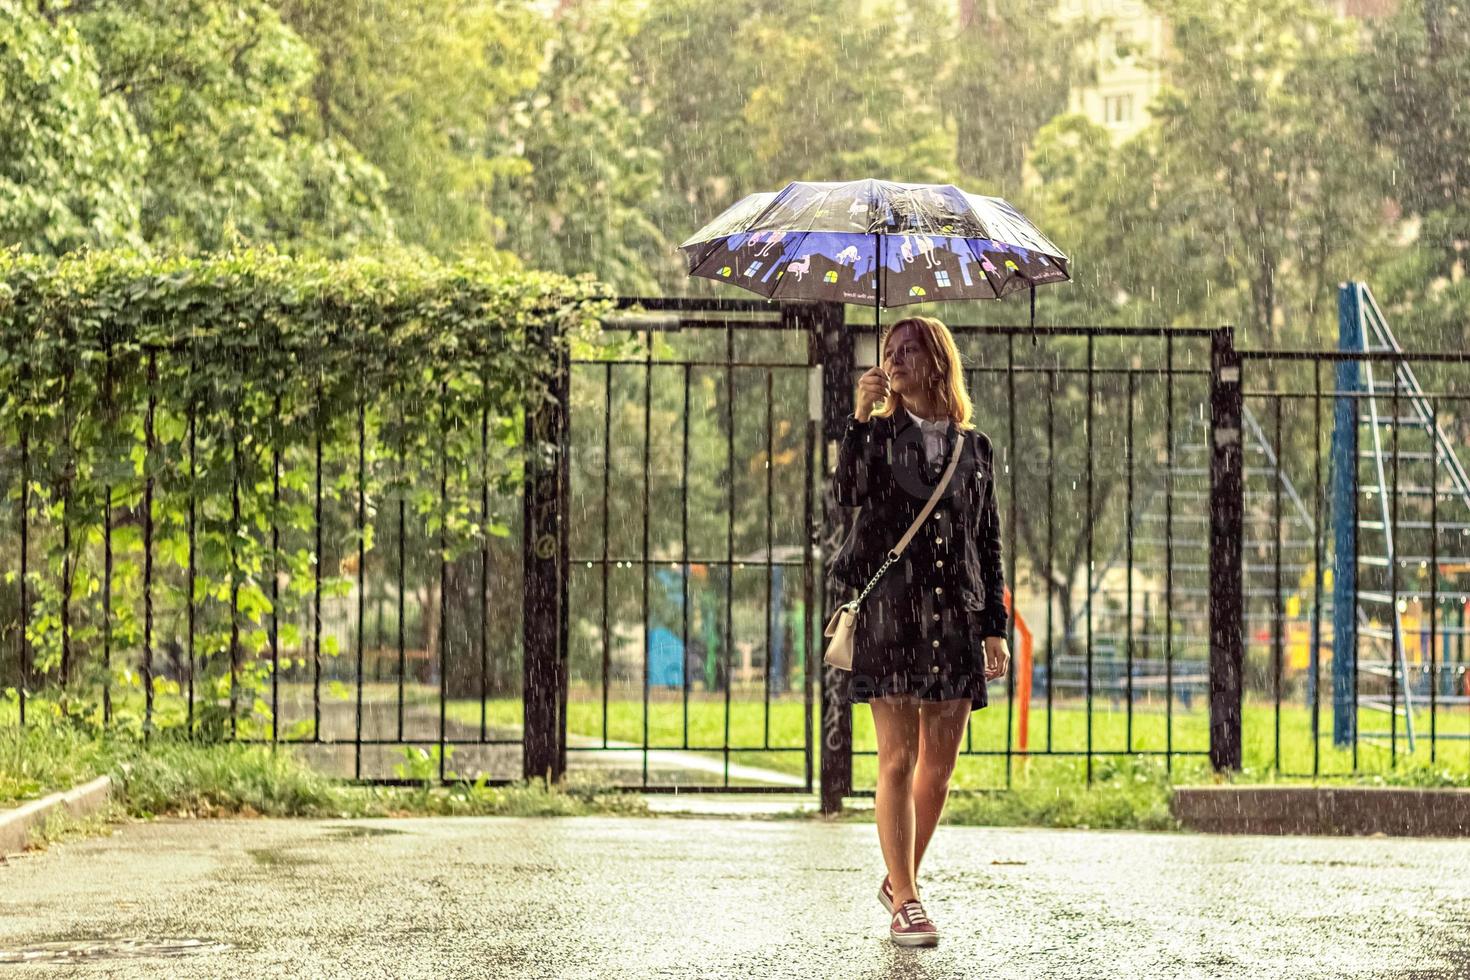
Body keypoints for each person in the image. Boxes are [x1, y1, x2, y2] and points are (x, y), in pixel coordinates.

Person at [827, 315, 1010, 948]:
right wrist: (860, 415)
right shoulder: (876, 440)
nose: (898, 360)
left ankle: (898, 878)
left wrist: (995, 627)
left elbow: (987, 542)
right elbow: (844, 493)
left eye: (911, 351)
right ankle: (906, 897)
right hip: (893, 617)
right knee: (898, 759)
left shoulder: (975, 449)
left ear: (938, 363)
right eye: (890, 352)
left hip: (957, 619)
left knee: (939, 768)